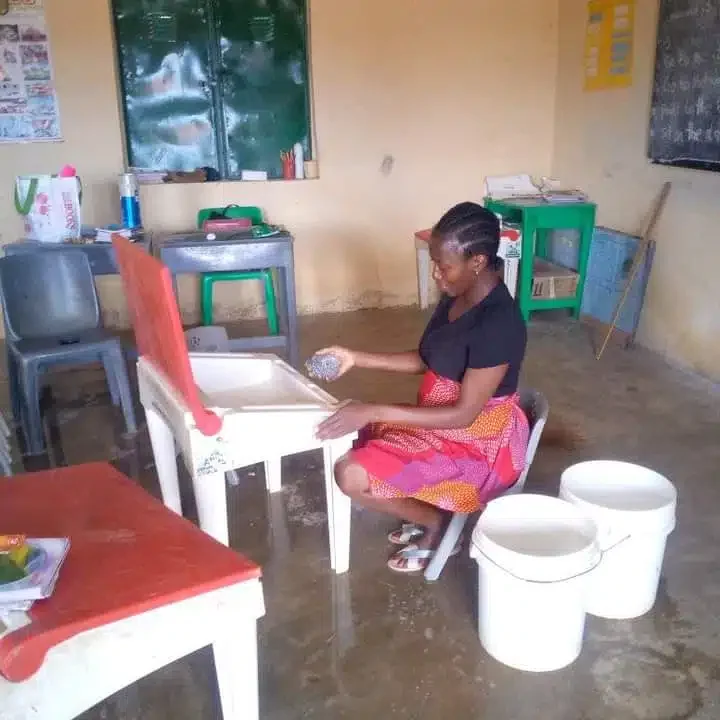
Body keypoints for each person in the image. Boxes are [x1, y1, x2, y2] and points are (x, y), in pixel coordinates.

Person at [316, 201, 529, 573]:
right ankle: (429, 512)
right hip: (442, 422)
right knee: (357, 427)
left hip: (477, 445)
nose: (435, 275)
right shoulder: (456, 298)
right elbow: (427, 359)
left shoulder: (499, 324)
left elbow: (465, 415)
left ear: (477, 262)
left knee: (351, 473)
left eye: (443, 266)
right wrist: (355, 357)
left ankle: (438, 523)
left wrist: (373, 408)